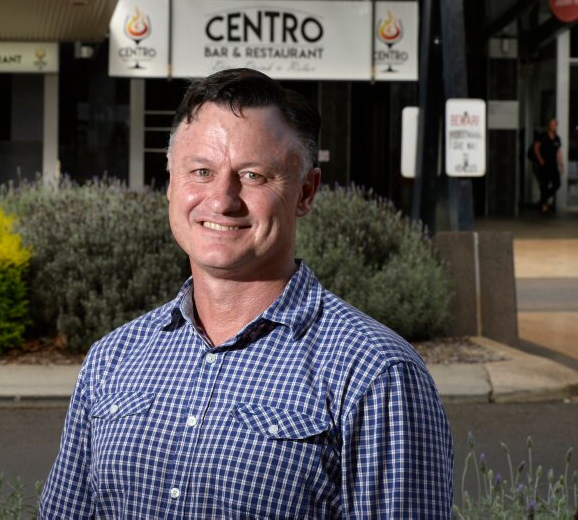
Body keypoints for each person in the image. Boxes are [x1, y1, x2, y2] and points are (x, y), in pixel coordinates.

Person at [40, 68, 453, 518]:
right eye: (201, 171)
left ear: (306, 192)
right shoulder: (114, 358)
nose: (222, 199)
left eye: (254, 176)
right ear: (171, 183)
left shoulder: (374, 374)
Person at [533, 118, 563, 214]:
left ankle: (543, 200)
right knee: (544, 185)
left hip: (553, 164)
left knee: (557, 183)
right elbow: (536, 148)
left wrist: (561, 164)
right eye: (553, 124)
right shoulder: (542, 136)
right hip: (544, 164)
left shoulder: (557, 138)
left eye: (555, 125)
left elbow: (558, 152)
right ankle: (544, 205)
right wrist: (540, 159)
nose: (554, 126)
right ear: (549, 126)